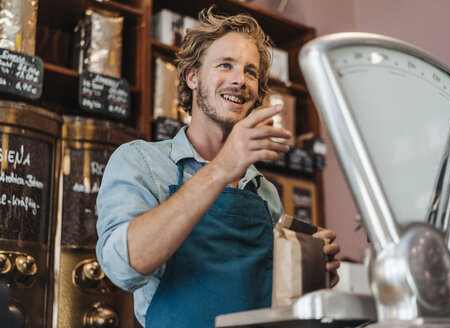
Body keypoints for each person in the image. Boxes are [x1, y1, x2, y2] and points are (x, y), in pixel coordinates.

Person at [96, 7, 340, 327]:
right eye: (226, 65)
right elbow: (122, 267)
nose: (240, 80)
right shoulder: (141, 161)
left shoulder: (264, 192)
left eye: (251, 72)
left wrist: (312, 270)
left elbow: (277, 301)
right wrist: (222, 167)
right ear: (193, 76)